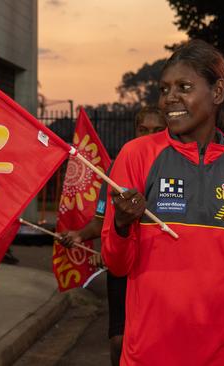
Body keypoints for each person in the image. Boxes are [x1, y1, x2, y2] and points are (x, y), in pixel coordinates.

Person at [101, 39, 224, 365]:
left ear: (217, 92)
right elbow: (116, 264)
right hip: (153, 350)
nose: (170, 98)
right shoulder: (137, 155)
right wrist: (121, 224)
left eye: (184, 87)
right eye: (164, 89)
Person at [57, 106, 166, 366]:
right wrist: (79, 236)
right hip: (123, 267)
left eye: (157, 130)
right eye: (143, 129)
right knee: (119, 339)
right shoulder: (120, 165)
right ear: (135, 130)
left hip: (159, 268)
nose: (148, 135)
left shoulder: (176, 166)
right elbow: (101, 221)